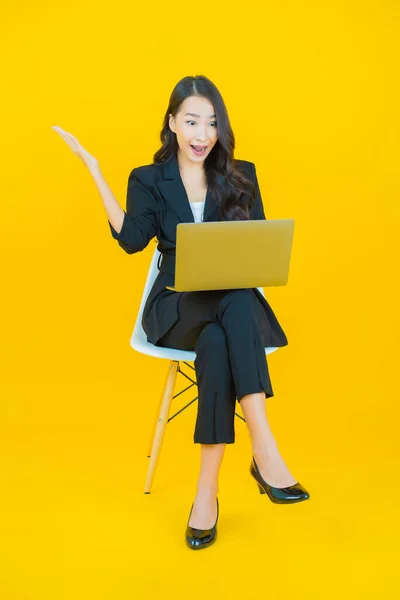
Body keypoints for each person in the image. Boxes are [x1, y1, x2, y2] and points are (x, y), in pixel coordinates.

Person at [52, 74, 310, 552]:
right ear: (172, 123)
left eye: (211, 123)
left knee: (219, 333)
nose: (202, 134)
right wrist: (94, 169)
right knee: (231, 304)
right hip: (175, 306)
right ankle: (264, 448)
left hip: (225, 314)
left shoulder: (241, 174)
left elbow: (253, 246)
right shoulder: (149, 179)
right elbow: (132, 241)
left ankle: (204, 498)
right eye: (191, 121)